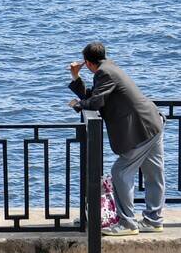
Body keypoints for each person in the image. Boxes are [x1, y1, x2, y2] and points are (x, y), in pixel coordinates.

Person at [68, 42, 165, 236]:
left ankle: (127, 223)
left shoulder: (104, 73)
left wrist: (78, 105)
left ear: (87, 62)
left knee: (120, 171)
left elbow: (95, 102)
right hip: (153, 122)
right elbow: (96, 96)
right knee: (154, 174)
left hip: (141, 129)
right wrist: (76, 78)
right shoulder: (109, 68)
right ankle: (153, 221)